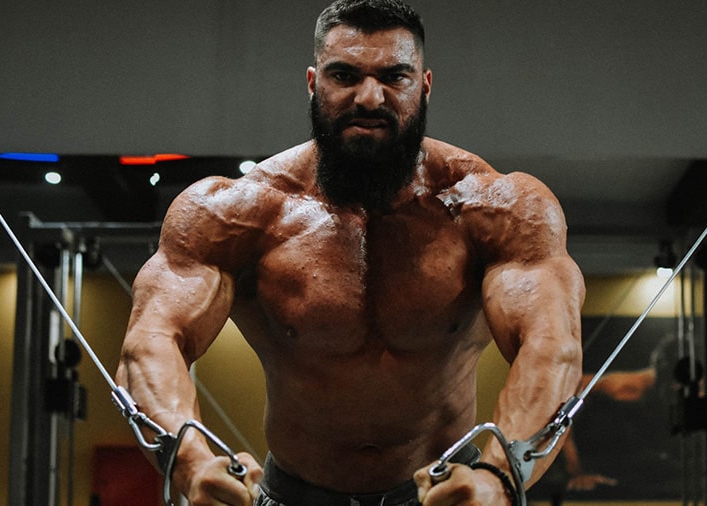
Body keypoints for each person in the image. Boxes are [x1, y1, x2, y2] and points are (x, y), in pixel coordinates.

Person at [115, 1, 585, 504]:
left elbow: (551, 348)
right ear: (314, 82)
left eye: (393, 76)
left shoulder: (493, 207)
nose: (368, 97)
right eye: (345, 75)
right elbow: (151, 344)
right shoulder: (239, 212)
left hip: (450, 493)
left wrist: (500, 477)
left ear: (423, 86)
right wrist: (189, 462)